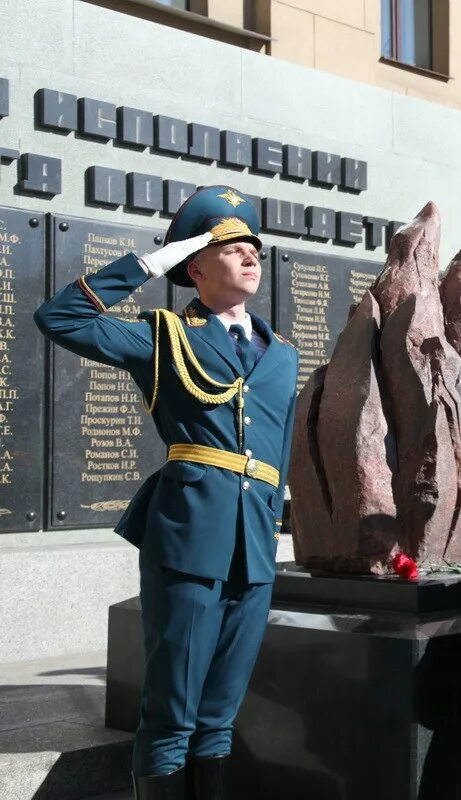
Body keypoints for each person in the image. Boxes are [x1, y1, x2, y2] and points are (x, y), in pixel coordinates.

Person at [34, 186, 299, 800]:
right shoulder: (166, 337)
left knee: (220, 712)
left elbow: (278, 455)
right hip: (188, 537)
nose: (250, 256)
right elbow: (59, 318)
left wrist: (271, 528)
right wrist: (150, 262)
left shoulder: (282, 356)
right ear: (197, 268)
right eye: (230, 248)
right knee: (173, 707)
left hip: (254, 548)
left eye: (254, 247)